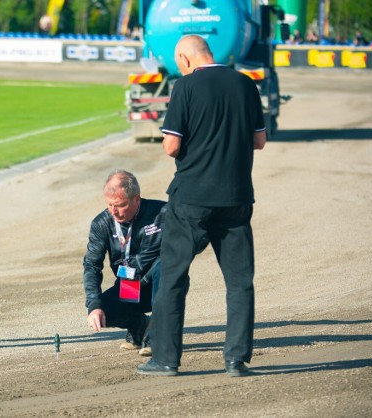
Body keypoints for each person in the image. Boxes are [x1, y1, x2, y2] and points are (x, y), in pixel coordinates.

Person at [136, 35, 266, 377]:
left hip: (192, 198)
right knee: (240, 282)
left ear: (185, 57)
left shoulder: (185, 87)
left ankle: (166, 359)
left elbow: (171, 146)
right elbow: (259, 140)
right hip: (236, 196)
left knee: (173, 278)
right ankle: (236, 360)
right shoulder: (245, 85)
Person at [83, 170, 166, 356]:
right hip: (129, 285)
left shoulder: (162, 213)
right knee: (102, 309)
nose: (113, 211)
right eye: (109, 205)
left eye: (120, 205)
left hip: (162, 283)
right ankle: (138, 325)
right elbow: (91, 266)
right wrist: (94, 306)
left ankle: (158, 334)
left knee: (164, 265)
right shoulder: (101, 223)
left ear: (136, 199)